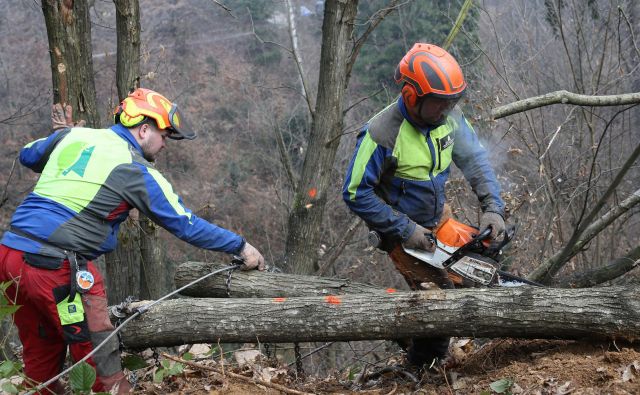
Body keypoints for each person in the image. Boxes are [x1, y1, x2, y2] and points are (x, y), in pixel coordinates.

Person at [0, 88, 265, 393]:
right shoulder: (135, 169)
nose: (166, 143)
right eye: (164, 134)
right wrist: (240, 245)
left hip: (10, 256)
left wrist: (60, 137)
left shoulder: (74, 136)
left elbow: (28, 154)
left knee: (41, 357)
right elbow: (185, 224)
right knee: (100, 359)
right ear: (143, 129)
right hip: (55, 267)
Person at [342, 43, 505, 368]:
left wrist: (493, 207)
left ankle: (467, 348)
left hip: (439, 217)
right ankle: (419, 367)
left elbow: (475, 160)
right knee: (439, 297)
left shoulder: (450, 119)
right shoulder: (381, 134)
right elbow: (355, 192)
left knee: (483, 262)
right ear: (412, 95)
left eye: (451, 102)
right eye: (438, 103)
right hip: (404, 233)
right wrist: (403, 228)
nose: (445, 110)